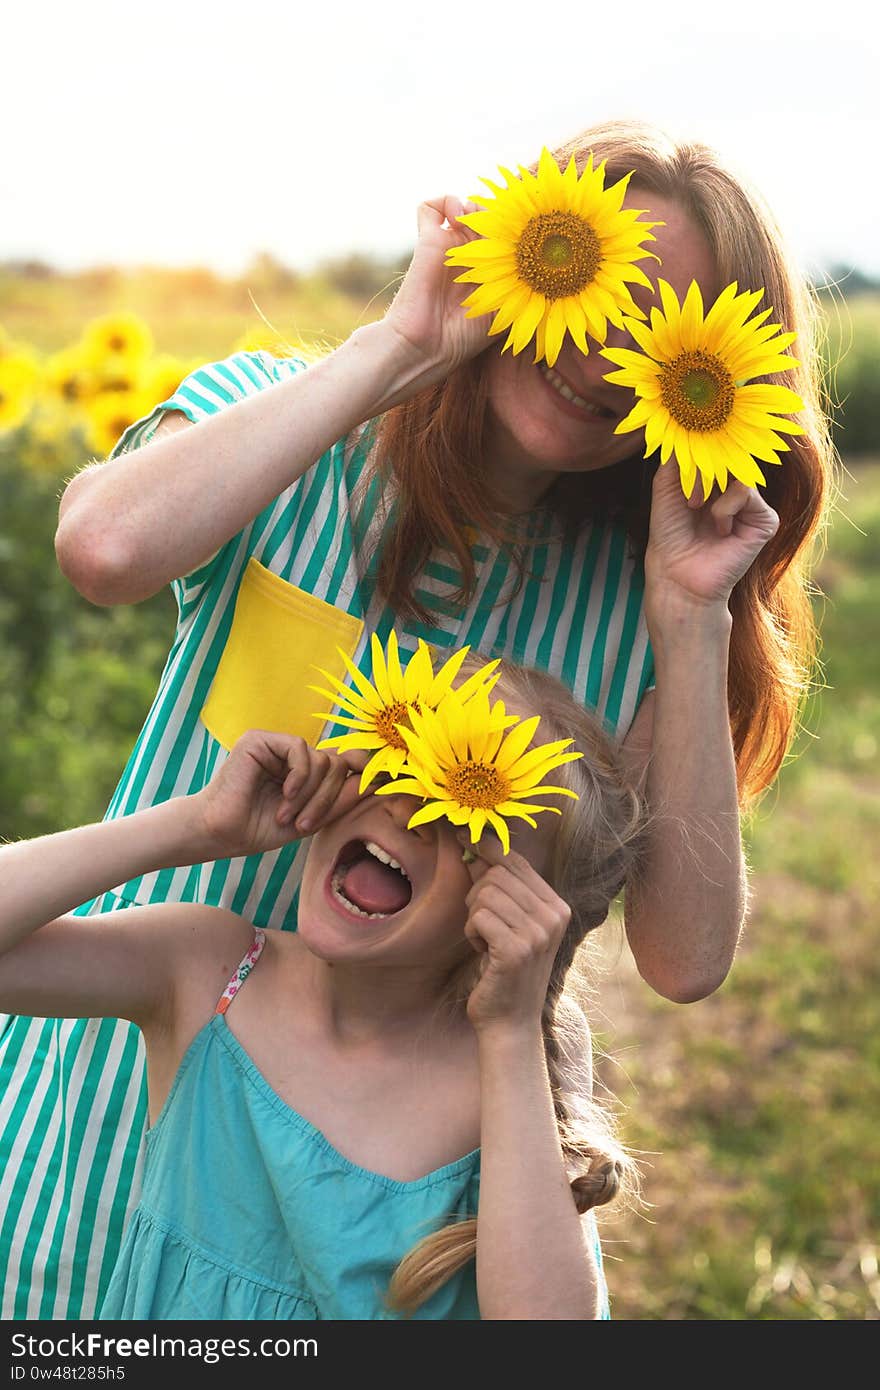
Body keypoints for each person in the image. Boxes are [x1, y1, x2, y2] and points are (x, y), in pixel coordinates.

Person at [0, 119, 833, 1318]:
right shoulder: (296, 428)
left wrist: (693, 616)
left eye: (665, 332)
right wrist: (399, 346)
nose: (607, 350)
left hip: (392, 1219)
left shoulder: (636, 603)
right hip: (110, 1098)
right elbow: (105, 547)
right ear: (519, 258)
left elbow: (685, 958)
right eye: (591, 283)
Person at [0, 656, 643, 1320]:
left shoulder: (509, 1072)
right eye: (395, 759)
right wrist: (192, 826)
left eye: (469, 810)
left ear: (533, 909)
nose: (407, 811)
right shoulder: (212, 974)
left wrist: (510, 1034)